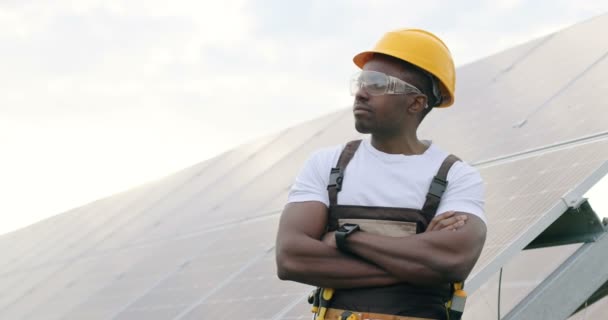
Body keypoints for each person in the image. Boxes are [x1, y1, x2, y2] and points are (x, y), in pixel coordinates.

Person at [275, 28, 487, 320]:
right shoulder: (327, 164)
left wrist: (344, 238)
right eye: (361, 82)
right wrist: (417, 265)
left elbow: (453, 260)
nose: (361, 92)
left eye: (376, 83)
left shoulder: (456, 176)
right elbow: (291, 258)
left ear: (415, 102)